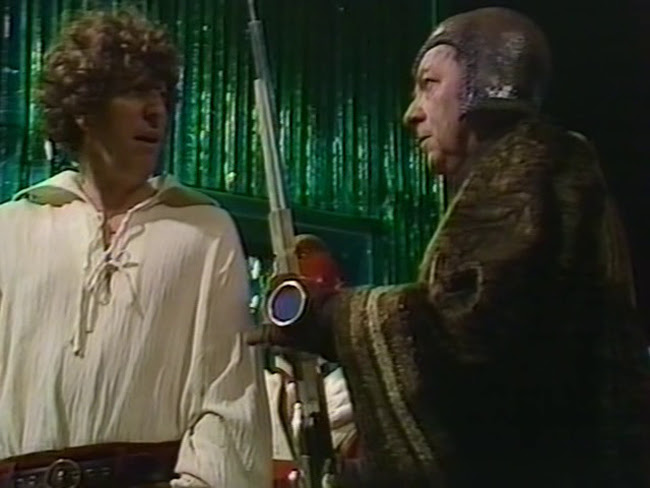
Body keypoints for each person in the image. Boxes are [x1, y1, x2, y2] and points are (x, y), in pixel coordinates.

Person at [248, 7, 650, 487]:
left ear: (486, 83)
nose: (411, 113)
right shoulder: (533, 175)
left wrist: (328, 316)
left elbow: (466, 335)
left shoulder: (534, 171)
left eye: (429, 84)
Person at [0, 10, 271, 487]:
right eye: (134, 91)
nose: (156, 111)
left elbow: (228, 407)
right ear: (84, 109)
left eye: (162, 95)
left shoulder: (203, 231)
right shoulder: (13, 226)